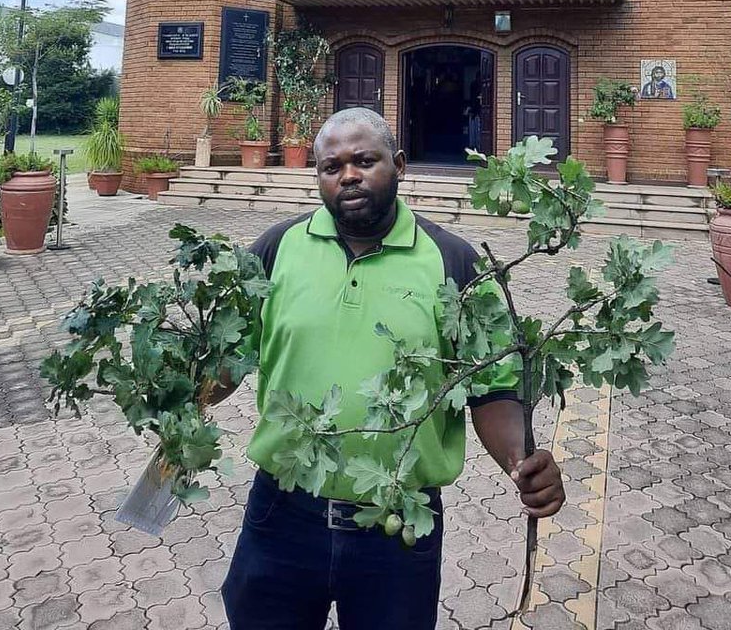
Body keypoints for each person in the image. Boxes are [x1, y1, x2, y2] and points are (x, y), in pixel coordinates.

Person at [210, 107, 565, 630]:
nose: (348, 175)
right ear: (317, 177)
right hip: (281, 515)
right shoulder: (274, 250)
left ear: (398, 164)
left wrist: (522, 462)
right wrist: (173, 394)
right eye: (332, 167)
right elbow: (224, 362)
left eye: (364, 160)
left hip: (400, 527)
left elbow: (490, 389)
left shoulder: (454, 262)